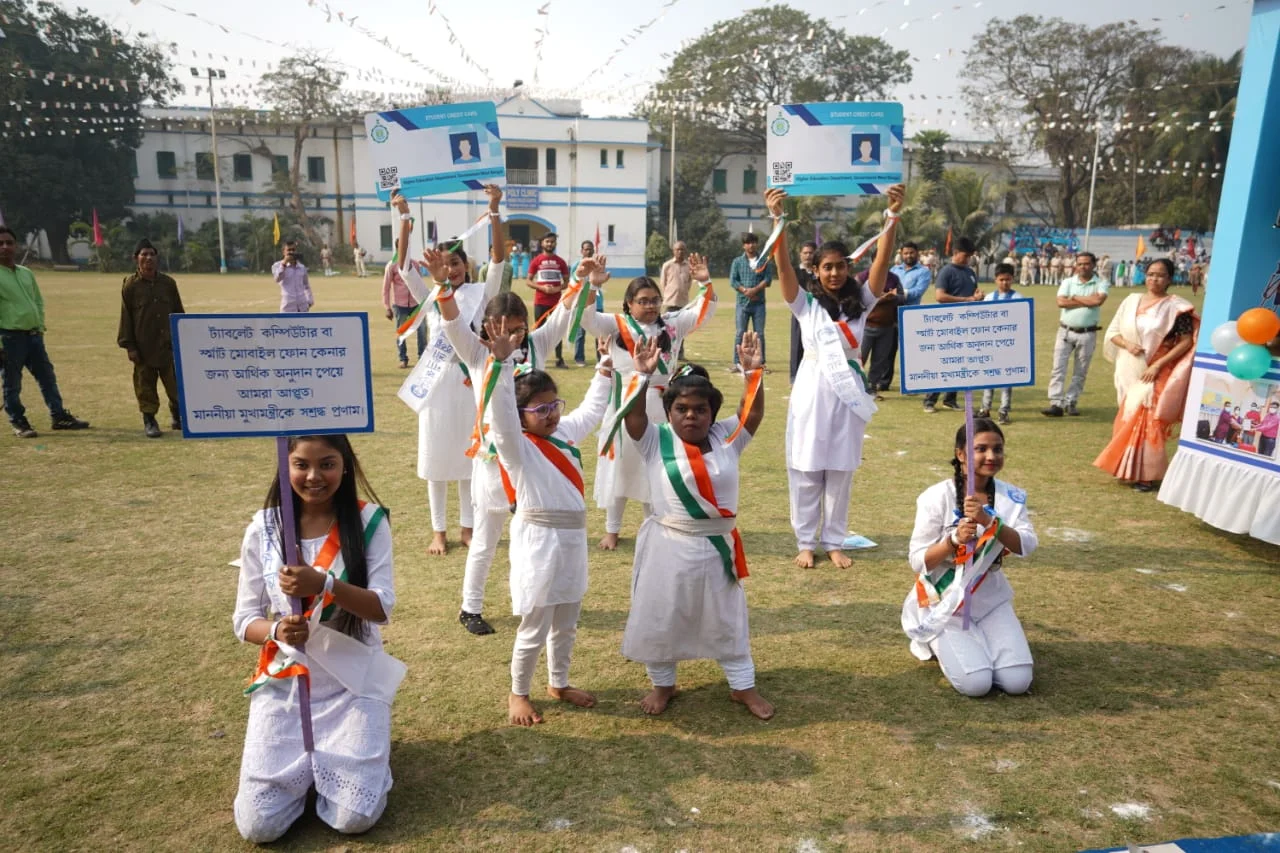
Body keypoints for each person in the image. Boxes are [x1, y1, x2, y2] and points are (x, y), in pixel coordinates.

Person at [231, 434, 397, 842]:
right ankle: (318, 767)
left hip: (351, 681)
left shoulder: (369, 521)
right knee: (259, 826)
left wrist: (324, 583)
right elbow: (244, 619)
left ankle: (360, 755)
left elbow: (382, 608)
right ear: (285, 466)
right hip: (288, 683)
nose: (314, 476)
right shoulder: (264, 527)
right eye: (301, 464)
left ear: (345, 465)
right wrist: (275, 629)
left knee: (354, 816)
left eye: (327, 464)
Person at [448, 314, 610, 726]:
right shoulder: (515, 448)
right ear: (522, 416)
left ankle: (559, 681)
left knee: (567, 620)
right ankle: (518, 693)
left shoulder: (565, 434)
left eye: (555, 405)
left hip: (573, 541)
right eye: (540, 409)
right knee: (535, 623)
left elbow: (592, 410)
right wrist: (501, 365)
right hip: (538, 541)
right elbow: (501, 415)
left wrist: (604, 370)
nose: (552, 414)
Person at [436, 251, 607, 637]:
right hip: (496, 462)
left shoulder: (537, 346)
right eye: (501, 328)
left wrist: (579, 280)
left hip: (536, 460)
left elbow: (565, 313)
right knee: (486, 538)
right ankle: (471, 607)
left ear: (528, 326)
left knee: (533, 535)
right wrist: (443, 286)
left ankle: (537, 598)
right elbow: (450, 323)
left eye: (517, 328)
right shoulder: (477, 352)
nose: (510, 336)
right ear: (486, 327)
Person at [619, 334, 773, 720]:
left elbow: (751, 414)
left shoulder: (726, 438)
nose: (691, 416)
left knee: (727, 618)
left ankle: (743, 688)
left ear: (712, 412)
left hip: (718, 548)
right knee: (663, 615)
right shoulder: (656, 440)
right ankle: (663, 684)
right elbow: (634, 418)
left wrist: (753, 373)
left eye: (700, 409)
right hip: (669, 548)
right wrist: (640, 378)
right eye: (682, 409)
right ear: (668, 411)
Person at [765, 184, 904, 569]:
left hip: (848, 396)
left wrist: (891, 215)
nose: (834, 273)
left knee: (841, 470)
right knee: (807, 468)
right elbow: (783, 267)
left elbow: (882, 260)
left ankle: (835, 541)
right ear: (817, 270)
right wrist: (778, 220)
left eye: (841, 266)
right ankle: (806, 541)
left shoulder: (863, 303)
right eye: (827, 267)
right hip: (812, 393)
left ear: (848, 268)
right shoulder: (805, 305)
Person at [394, 187, 507, 556]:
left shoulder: (482, 292)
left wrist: (493, 211)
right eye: (445, 264)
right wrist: (405, 217)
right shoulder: (430, 296)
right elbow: (402, 266)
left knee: (468, 458)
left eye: (457, 263)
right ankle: (438, 531)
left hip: (470, 383)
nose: (452, 269)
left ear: (466, 265)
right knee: (435, 459)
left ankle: (466, 528)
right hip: (436, 386)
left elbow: (500, 259)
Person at [582, 260, 718, 550]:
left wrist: (705, 283)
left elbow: (703, 314)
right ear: (629, 303)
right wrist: (593, 286)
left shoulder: (671, 325)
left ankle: (654, 524)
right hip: (623, 409)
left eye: (655, 300)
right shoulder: (615, 324)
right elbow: (587, 319)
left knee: (653, 467)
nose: (650, 306)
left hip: (660, 409)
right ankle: (612, 529)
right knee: (620, 468)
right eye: (643, 301)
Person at [900, 418, 1038, 697]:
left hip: (990, 598)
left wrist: (989, 521)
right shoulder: (936, 496)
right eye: (981, 449)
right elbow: (918, 560)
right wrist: (953, 541)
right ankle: (943, 643)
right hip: (945, 602)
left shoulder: (1011, 497)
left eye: (998, 449)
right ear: (960, 454)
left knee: (1017, 681)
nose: (991, 456)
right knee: (977, 684)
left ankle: (981, 644)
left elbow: (1027, 545)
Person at [1093, 259, 1198, 491]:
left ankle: (1147, 475)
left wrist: (1158, 365)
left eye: (1160, 275)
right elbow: (1113, 332)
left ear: (1170, 279)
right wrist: (1128, 345)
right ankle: (1128, 468)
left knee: (1149, 419)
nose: (1154, 279)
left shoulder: (1176, 307)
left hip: (1156, 370)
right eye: (1150, 274)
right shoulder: (1131, 301)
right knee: (1127, 416)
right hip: (1129, 367)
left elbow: (1186, 342)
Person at [0, 226, 90, 439]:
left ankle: (59, 416)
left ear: (16, 246)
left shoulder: (25, 273)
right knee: (12, 384)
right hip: (9, 337)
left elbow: (37, 302)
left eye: (9, 243)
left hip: (33, 336)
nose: (5, 247)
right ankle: (18, 421)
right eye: (0, 243)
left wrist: (39, 326)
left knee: (47, 378)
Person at [118, 238, 185, 438]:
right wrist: (130, 346)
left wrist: (183, 338)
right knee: (145, 386)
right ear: (136, 258)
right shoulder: (130, 286)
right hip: (143, 347)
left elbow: (178, 312)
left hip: (167, 346)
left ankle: (178, 416)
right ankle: (150, 420)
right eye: (144, 254)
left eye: (152, 254)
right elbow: (126, 317)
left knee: (175, 385)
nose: (148, 258)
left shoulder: (168, 283)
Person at [1043, 252, 1109, 417]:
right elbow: (1060, 302)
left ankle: (1071, 401)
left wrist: (1074, 297)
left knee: (1080, 371)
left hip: (1087, 333)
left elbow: (1098, 301)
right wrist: (1087, 300)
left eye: (1086, 264)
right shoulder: (1068, 281)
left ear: (1094, 265)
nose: (1082, 267)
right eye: (1079, 264)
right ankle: (1056, 403)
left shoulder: (1101, 283)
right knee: (1058, 368)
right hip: (1065, 330)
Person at [923, 238, 983, 413]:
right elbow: (940, 296)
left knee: (960, 363)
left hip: (967, 323)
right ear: (955, 253)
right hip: (949, 323)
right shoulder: (946, 271)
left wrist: (978, 296)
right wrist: (967, 300)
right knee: (942, 364)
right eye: (965, 256)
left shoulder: (970, 272)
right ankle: (929, 400)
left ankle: (950, 399)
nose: (968, 259)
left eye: (970, 256)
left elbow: (974, 293)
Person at [974, 264, 1022, 425]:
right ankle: (985, 408)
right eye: (1001, 280)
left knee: (1006, 379)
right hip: (991, 343)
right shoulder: (989, 298)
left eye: (1008, 279)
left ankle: (1004, 410)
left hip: (1008, 344)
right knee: (989, 377)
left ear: (1012, 279)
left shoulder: (1018, 298)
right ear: (996, 280)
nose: (1004, 283)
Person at [728, 232, 773, 374]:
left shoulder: (764, 260)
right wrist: (745, 291)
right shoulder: (737, 262)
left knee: (759, 334)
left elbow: (768, 279)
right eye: (747, 243)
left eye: (753, 242)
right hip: (742, 303)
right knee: (740, 333)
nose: (751, 245)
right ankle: (737, 363)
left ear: (757, 244)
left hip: (758, 303)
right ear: (743, 245)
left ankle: (761, 363)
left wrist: (755, 290)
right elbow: (733, 281)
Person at [858, 264, 903, 399]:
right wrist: (881, 298)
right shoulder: (862, 277)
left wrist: (893, 297)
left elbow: (902, 297)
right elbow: (856, 299)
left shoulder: (894, 278)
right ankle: (855, 388)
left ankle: (872, 388)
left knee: (879, 360)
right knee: (859, 359)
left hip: (887, 327)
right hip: (866, 326)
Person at [527, 233, 570, 368]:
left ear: (555, 244)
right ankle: (537, 358)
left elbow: (567, 283)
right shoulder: (536, 261)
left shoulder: (561, 262)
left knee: (557, 330)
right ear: (542, 243)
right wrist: (542, 288)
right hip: (540, 301)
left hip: (557, 302)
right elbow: (528, 281)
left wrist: (557, 289)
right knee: (539, 330)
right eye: (547, 241)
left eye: (552, 242)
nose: (550, 244)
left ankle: (559, 359)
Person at [383, 237, 427, 369]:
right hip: (400, 305)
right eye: (402, 247)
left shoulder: (415, 264)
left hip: (416, 304)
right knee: (401, 333)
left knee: (422, 331)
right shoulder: (391, 266)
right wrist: (387, 307)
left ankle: (422, 358)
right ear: (398, 248)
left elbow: (419, 284)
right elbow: (386, 288)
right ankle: (403, 358)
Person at [570, 239, 606, 366]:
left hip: (597, 303)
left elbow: (600, 283)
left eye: (590, 249)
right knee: (580, 333)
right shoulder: (576, 266)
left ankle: (601, 358)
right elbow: (573, 284)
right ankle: (579, 358)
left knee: (599, 333)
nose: (588, 251)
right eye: (586, 249)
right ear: (581, 251)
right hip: (581, 303)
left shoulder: (597, 265)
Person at [789, 241, 818, 384]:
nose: (808, 256)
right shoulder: (794, 272)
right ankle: (794, 377)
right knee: (797, 344)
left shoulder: (819, 272)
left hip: (818, 314)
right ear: (800, 255)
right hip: (800, 313)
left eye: (811, 253)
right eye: (805, 253)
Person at [660, 240, 693, 361]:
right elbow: (663, 283)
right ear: (673, 251)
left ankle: (680, 353)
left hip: (683, 303)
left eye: (682, 249)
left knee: (682, 329)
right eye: (678, 249)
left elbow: (689, 283)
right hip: (669, 302)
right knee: (668, 329)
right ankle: (667, 353)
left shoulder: (689, 266)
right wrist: (667, 295)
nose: (680, 252)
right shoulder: (667, 265)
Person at [273, 240, 313, 313]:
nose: (291, 252)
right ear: (283, 252)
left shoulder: (302, 267)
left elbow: (306, 285)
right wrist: (284, 264)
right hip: (288, 306)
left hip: (302, 306)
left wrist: (310, 300)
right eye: (289, 250)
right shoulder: (277, 266)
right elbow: (277, 279)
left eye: (293, 250)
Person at [891, 241, 933, 308]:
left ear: (917, 253)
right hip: (891, 310)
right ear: (902, 254)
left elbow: (918, 291)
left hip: (910, 311)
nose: (909, 256)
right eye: (906, 253)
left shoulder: (924, 271)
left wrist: (899, 293)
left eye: (911, 253)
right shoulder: (894, 269)